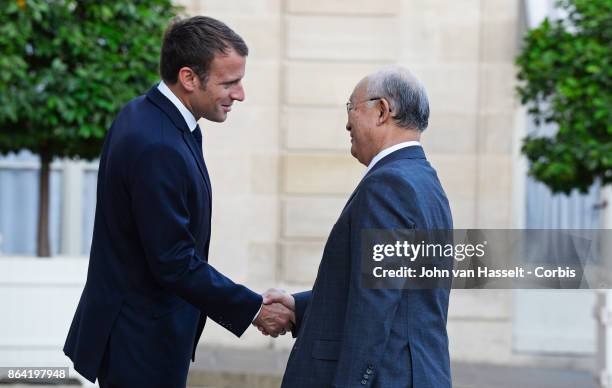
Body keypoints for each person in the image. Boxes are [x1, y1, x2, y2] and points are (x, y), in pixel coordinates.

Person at [63, 16, 294, 387]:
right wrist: (253, 309)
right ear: (188, 78)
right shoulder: (157, 142)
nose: (240, 94)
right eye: (229, 82)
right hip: (140, 344)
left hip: (146, 335)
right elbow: (173, 260)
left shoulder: (152, 116)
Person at [264, 66, 453, 387]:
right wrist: (301, 306)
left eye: (351, 107)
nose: (347, 121)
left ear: (381, 111)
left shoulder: (389, 184)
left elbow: (375, 306)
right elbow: (400, 290)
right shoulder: (425, 181)